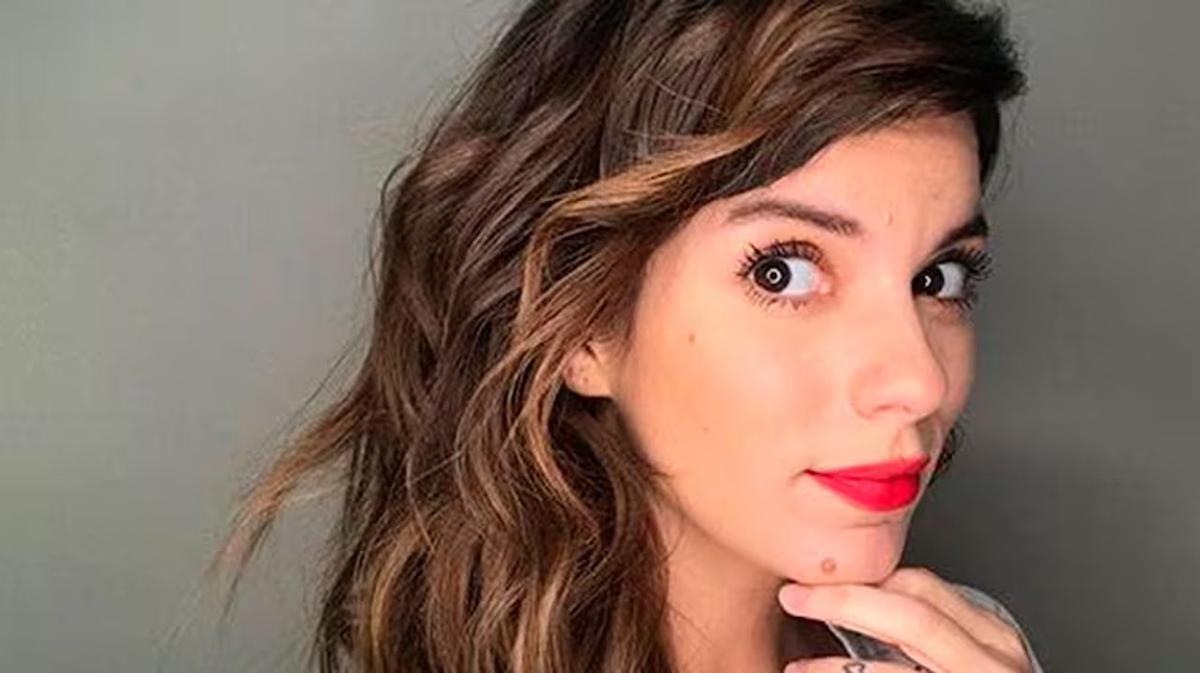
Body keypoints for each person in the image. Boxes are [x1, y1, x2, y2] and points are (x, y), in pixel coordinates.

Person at [219, 1, 1043, 671]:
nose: (919, 381)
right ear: (582, 325)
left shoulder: (955, 652)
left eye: (940, 279)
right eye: (782, 272)